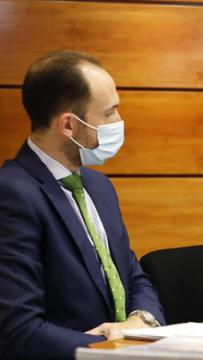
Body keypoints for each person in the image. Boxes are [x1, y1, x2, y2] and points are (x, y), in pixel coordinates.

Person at [0, 51, 165, 359]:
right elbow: (18, 330)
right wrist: (110, 350)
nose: (118, 122)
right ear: (68, 126)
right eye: (109, 113)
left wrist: (142, 319)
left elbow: (132, 274)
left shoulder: (99, 187)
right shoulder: (12, 195)